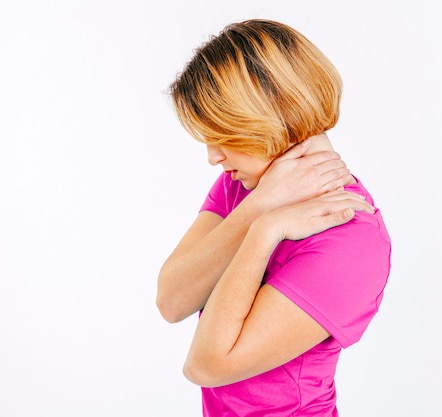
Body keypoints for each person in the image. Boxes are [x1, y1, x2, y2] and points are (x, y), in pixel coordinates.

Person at [156, 19, 391, 416]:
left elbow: (207, 365)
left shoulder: (352, 239)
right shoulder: (248, 187)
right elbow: (171, 301)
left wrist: (264, 231)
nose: (213, 156)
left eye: (224, 135)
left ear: (270, 113)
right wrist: (259, 209)